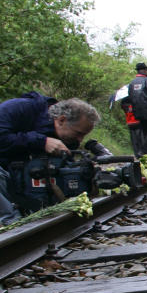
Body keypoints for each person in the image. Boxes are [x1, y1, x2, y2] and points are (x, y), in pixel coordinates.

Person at [0, 94, 100, 223]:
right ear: (61, 120)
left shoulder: (68, 137)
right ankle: (9, 223)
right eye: (79, 133)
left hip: (18, 175)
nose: (80, 140)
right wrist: (41, 141)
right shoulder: (19, 108)